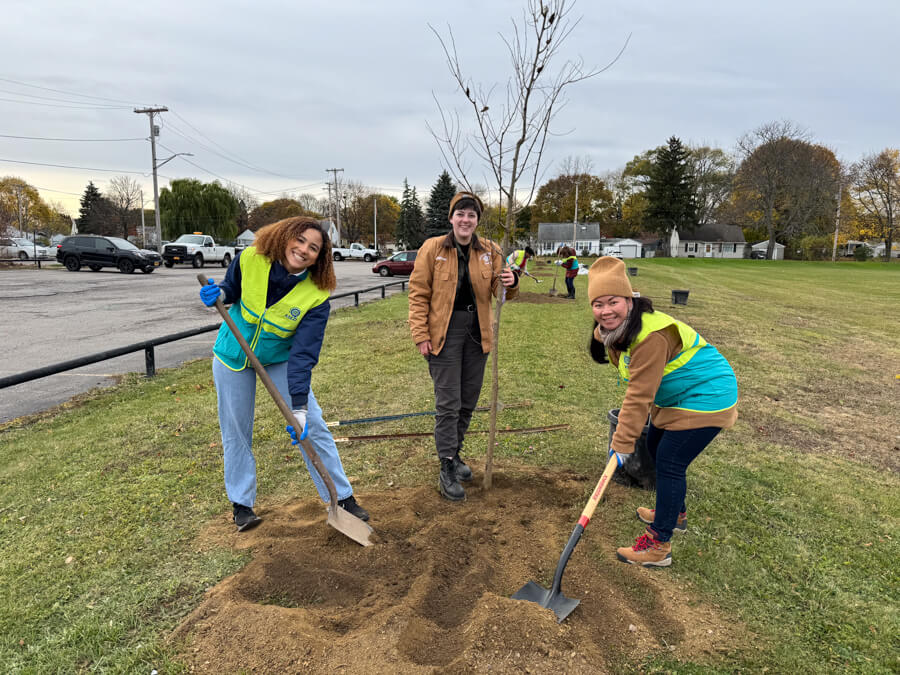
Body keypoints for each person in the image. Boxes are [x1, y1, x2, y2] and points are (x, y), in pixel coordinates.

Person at [199, 216, 369, 531]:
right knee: (236, 430)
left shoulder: (316, 295)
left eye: (314, 248)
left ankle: (342, 499)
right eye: (300, 241)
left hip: (279, 358)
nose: (304, 250)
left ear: (320, 257)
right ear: (286, 236)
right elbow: (230, 289)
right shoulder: (251, 258)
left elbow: (304, 354)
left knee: (313, 425)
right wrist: (219, 295)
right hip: (233, 354)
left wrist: (300, 408)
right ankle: (242, 505)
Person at [587, 256, 737, 566]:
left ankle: (659, 545)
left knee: (670, 460)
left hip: (707, 395)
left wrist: (621, 444)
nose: (606, 311)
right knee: (655, 445)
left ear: (629, 299)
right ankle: (674, 512)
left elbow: (639, 396)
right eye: (598, 304)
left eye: (613, 301)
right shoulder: (619, 329)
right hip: (679, 396)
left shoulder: (651, 336)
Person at [408, 191, 519, 501]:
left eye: (472, 215)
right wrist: (421, 335)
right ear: (451, 218)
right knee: (448, 404)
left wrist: (510, 282)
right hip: (443, 333)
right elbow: (418, 295)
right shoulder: (433, 249)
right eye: (461, 214)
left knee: (467, 401)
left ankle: (454, 455)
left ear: (477, 221)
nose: (466, 220)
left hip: (477, 332)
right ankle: (446, 466)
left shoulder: (491, 251)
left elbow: (501, 292)